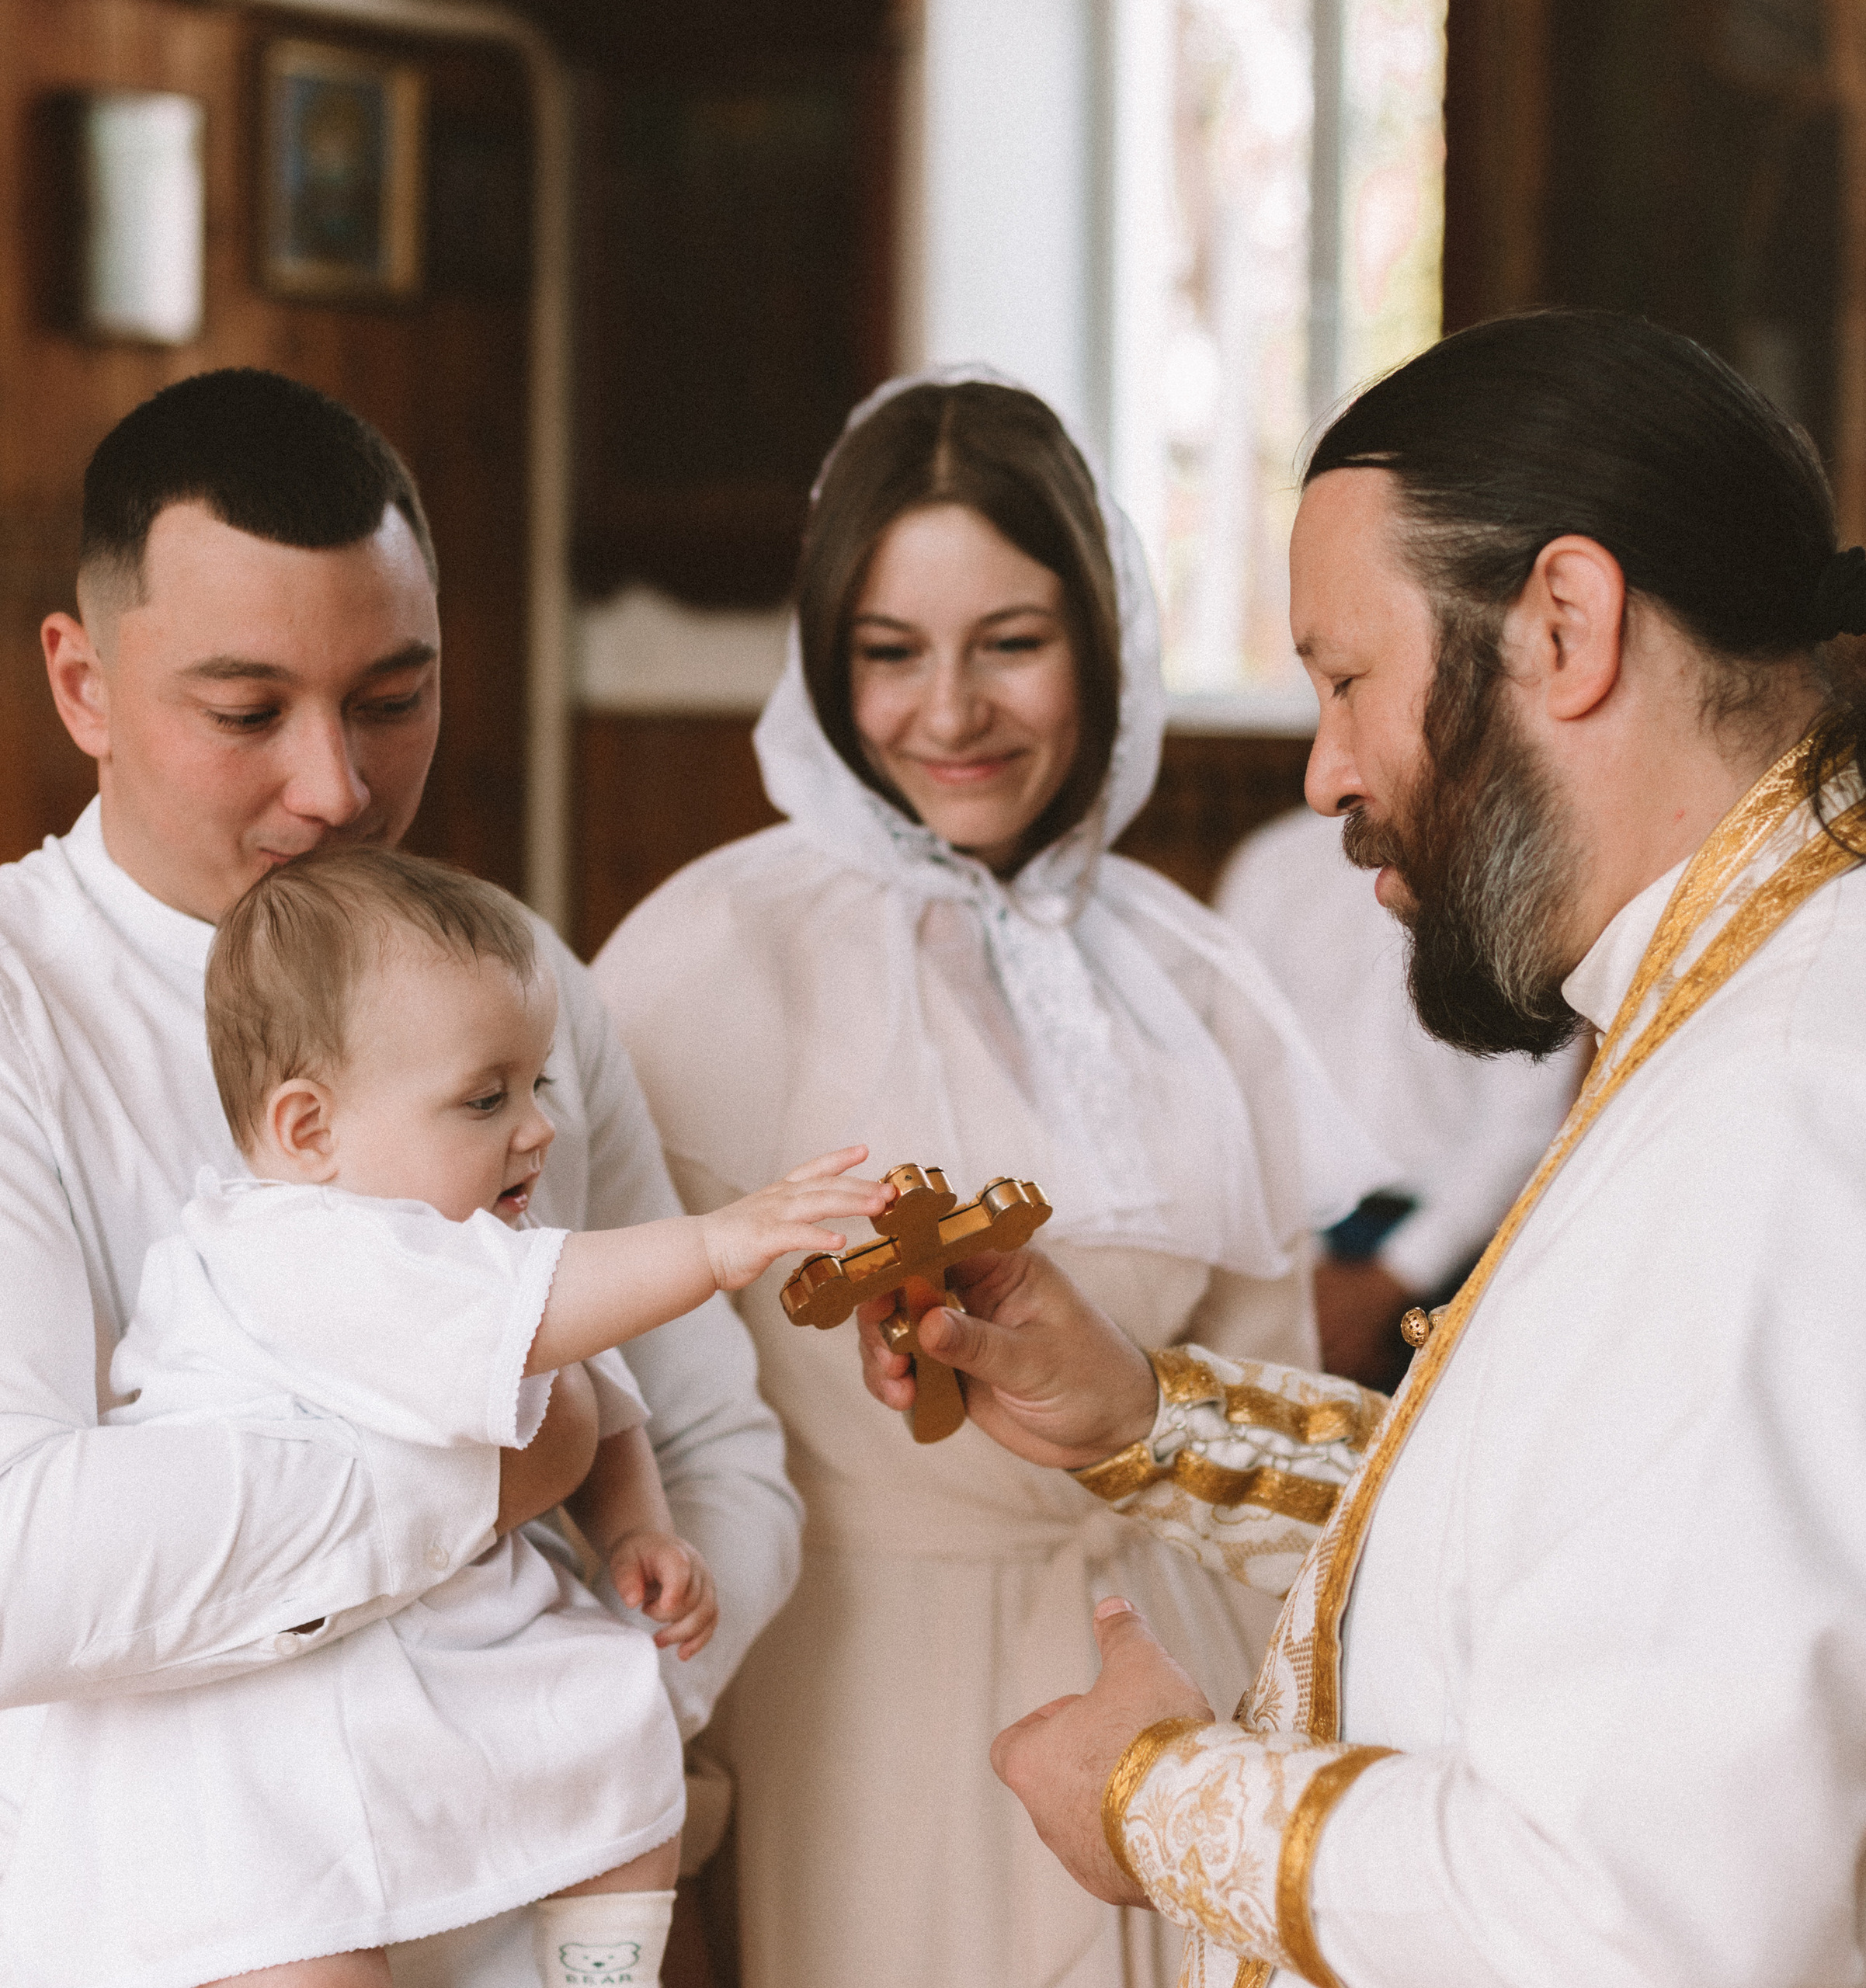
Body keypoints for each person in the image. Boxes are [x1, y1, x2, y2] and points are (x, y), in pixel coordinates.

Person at [856, 313, 1866, 1987]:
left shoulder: (1787, 1112)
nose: (1322, 768)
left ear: (1563, 625)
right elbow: (1591, 1542)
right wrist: (1149, 1419)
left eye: (1343, 678)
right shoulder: (1824, 972)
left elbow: (1625, 1922)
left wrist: (1152, 1800)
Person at [0, 370, 801, 1988]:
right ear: (82, 682)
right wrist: (497, 1473)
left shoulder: (514, 982)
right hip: (167, 1927)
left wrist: (597, 1713)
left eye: (392, 697)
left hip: (537, 1896)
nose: (337, 788)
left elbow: (716, 1436)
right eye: (246, 712)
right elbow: (26, 1566)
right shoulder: (16, 1012)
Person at [592, 370, 1388, 1988]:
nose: (946, 711)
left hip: (1174, 1665)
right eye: (889, 653)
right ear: (826, 663)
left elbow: (1277, 1381)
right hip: (858, 1682)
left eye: (1008, 643)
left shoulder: (1192, 974)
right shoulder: (696, 958)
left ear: (1102, 642)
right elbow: (625, 1402)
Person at [3, 846, 886, 1988]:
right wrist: (718, 1245)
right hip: (266, 1725)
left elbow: (603, 1395)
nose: (536, 1131)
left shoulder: (482, 1259)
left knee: (623, 1745)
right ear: (309, 1129)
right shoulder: (300, 1245)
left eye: (539, 1086)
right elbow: (558, 1318)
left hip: (429, 1656)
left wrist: (637, 1529)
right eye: (486, 1099)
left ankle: (598, 1971)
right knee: (294, 1935)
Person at [1215, 811, 1582, 1388]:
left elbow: (1527, 1120)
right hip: (1291, 1246)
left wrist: (1396, 1278)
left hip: (1465, 1255)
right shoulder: (1271, 864)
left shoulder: (1518, 867)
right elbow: (1240, 1085)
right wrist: (1304, 1270)